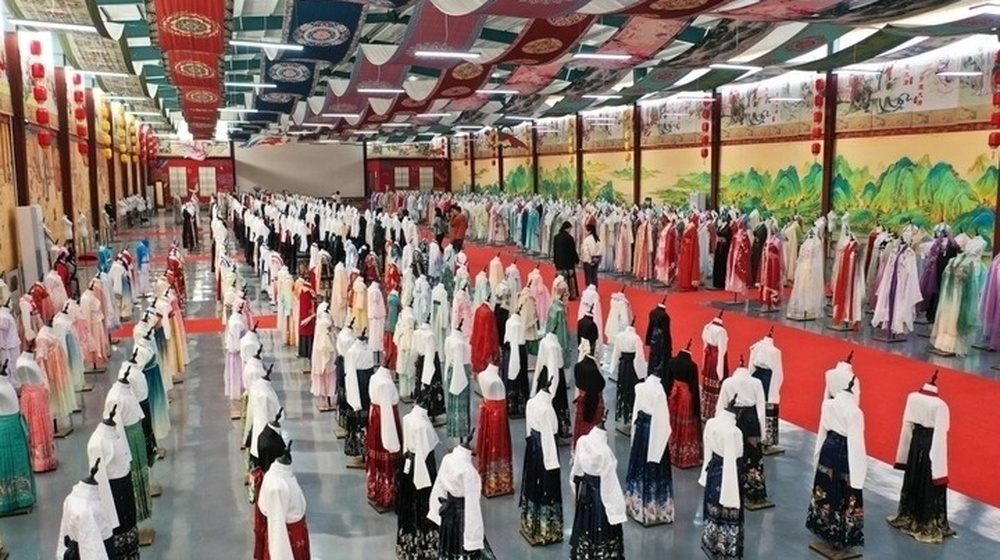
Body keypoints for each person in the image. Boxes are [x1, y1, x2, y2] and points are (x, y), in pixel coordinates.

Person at [552, 221, 580, 300]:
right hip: (568, 262)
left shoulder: (556, 237)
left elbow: (555, 250)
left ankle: (559, 294)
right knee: (570, 279)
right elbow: (572, 251)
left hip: (559, 261)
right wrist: (576, 259)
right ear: (568, 228)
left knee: (560, 279)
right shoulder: (569, 238)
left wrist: (555, 261)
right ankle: (570, 294)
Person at [580, 224, 603, 288]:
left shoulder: (586, 240)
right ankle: (595, 289)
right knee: (594, 276)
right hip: (596, 259)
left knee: (588, 277)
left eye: (585, 230)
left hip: (588, 260)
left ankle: (589, 290)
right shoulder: (598, 239)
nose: (584, 232)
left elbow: (586, 252)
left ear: (589, 231)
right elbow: (601, 250)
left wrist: (589, 260)